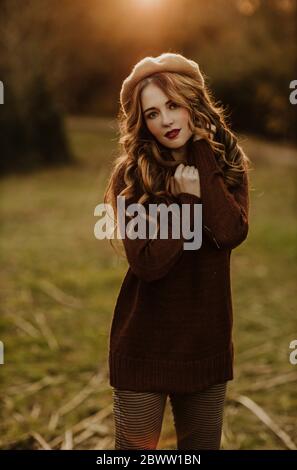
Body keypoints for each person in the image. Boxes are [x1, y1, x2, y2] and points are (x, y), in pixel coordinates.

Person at [103, 52, 251, 450]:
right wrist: (184, 203)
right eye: (152, 113)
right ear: (142, 123)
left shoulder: (228, 163)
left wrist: (203, 156)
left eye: (173, 105)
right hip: (143, 347)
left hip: (206, 345)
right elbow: (149, 263)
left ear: (193, 104)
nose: (165, 120)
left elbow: (229, 233)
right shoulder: (132, 175)